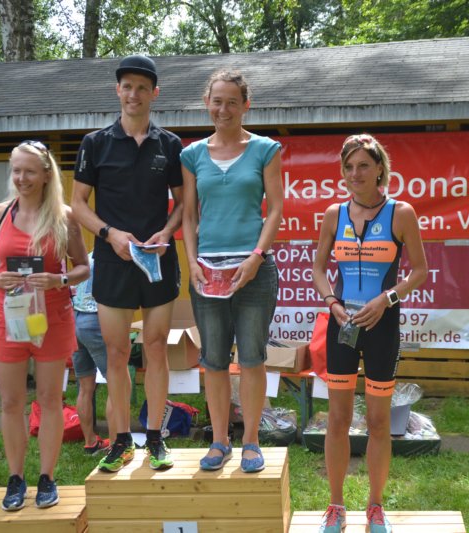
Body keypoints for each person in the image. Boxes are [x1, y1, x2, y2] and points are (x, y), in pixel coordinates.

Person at [72, 55, 183, 472]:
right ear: (117, 91)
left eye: (142, 87)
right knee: (116, 354)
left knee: (156, 348)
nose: (134, 94)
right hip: (113, 260)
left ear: (155, 93)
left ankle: (155, 438)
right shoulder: (95, 143)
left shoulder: (169, 144)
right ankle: (121, 442)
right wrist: (110, 234)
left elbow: (183, 202)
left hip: (157, 260)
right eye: (127, 86)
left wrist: (166, 232)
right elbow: (78, 204)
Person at [312, 134, 428, 533]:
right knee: (337, 419)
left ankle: (375, 507)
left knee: (379, 422)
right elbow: (318, 269)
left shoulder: (401, 212)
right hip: (342, 324)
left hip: (382, 326)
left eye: (363, 165)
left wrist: (386, 299)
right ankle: (336, 506)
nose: (355, 174)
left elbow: (419, 271)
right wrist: (332, 302)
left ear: (380, 168)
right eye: (348, 167)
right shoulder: (334, 214)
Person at [181, 70, 283, 473]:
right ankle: (219, 441)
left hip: (253, 271)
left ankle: (251, 441)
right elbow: (189, 215)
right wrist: (192, 262)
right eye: (217, 101)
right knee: (214, 361)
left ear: (245, 105)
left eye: (232, 102)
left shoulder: (265, 149)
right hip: (207, 273)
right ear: (207, 103)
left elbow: (275, 208)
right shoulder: (192, 155)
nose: (223, 109)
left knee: (253, 358)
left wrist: (256, 256)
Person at [0, 140, 89, 511]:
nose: (21, 178)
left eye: (29, 171)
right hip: (9, 317)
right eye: (16, 170)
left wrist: (60, 280)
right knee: (11, 402)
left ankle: (47, 477)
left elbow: (83, 267)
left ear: (45, 174)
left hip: (52, 318)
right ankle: (15, 478)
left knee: (49, 400)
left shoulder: (64, 217)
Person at [71, 252, 114, 455]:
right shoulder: (110, 259)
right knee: (116, 383)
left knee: (85, 387)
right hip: (95, 320)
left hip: (74, 319)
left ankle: (90, 442)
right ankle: (117, 443)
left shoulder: (85, 258)